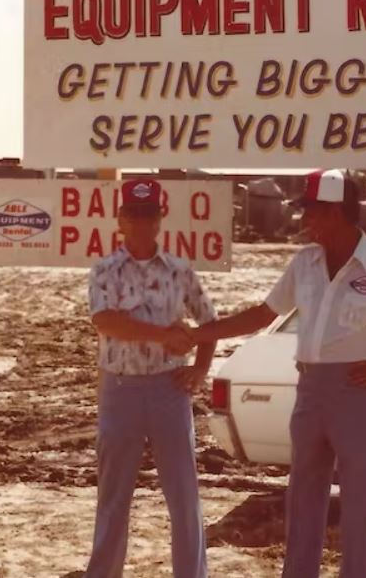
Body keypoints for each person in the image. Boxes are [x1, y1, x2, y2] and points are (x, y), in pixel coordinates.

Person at [183, 169, 366, 578]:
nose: (304, 221)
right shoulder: (304, 263)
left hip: (358, 395)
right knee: (304, 499)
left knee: (361, 505)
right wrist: (199, 334)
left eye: (310, 211)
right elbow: (264, 313)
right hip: (310, 391)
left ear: (334, 212)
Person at [84, 178, 217, 578]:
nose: (141, 222)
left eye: (149, 214)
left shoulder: (179, 271)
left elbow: (208, 321)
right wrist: (163, 334)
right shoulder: (105, 269)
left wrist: (200, 369)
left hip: (168, 390)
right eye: (133, 214)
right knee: (113, 496)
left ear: (160, 219)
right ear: (120, 219)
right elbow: (105, 321)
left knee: (183, 496)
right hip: (120, 390)